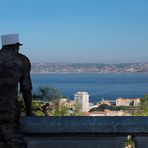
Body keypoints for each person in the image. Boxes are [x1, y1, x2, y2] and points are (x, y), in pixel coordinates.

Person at [0, 33, 32, 148]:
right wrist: (29, 112)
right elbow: (26, 89)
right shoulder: (22, 60)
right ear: (15, 46)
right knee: (14, 143)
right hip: (8, 111)